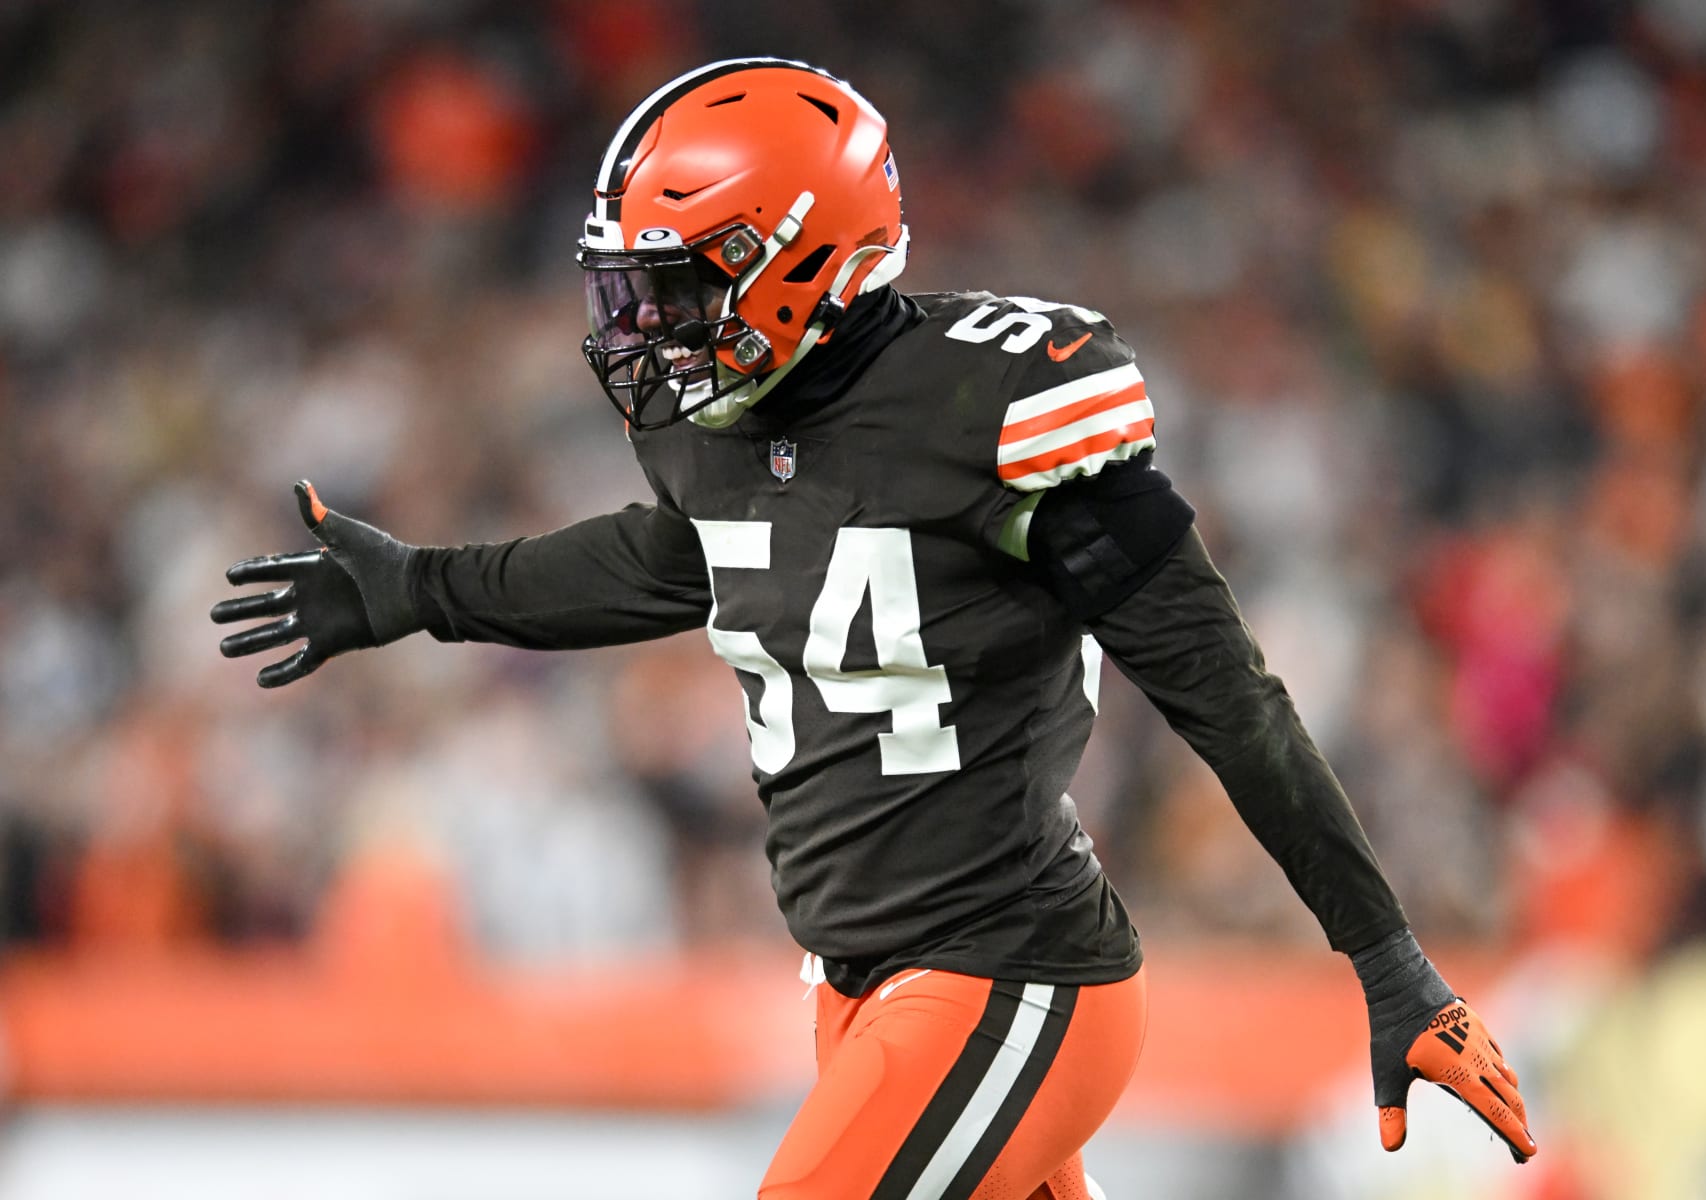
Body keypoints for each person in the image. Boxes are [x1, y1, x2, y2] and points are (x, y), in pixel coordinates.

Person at [212, 57, 1536, 1200]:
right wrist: (420, 591)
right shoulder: (720, 435)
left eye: (678, 287)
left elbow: (1222, 692)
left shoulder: (995, 412)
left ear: (795, 259)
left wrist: (1386, 955)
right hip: (860, 992)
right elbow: (668, 559)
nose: (648, 332)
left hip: (1010, 975)